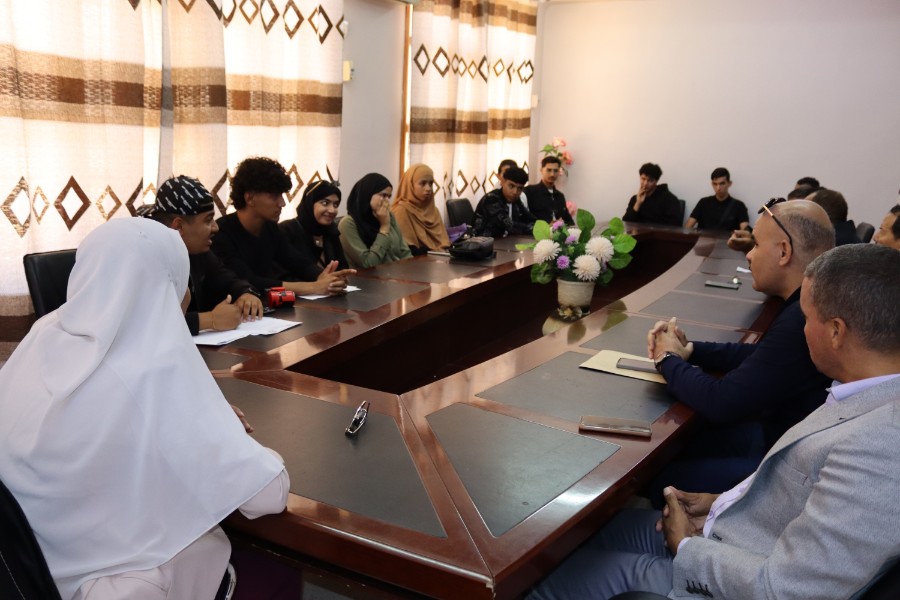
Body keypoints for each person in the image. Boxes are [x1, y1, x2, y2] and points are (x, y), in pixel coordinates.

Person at [527, 243, 900, 600]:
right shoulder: (866, 394)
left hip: (723, 581)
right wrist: (721, 503)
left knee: (540, 583)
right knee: (567, 545)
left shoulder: (879, 447)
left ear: (836, 331)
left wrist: (686, 546)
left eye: (806, 317)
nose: (800, 330)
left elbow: (788, 590)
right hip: (732, 535)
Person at [0, 218, 289, 600]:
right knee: (276, 572)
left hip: (33, 569)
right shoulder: (157, 369)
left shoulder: (42, 335)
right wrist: (217, 422)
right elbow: (268, 496)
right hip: (121, 582)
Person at [644, 199, 834, 499]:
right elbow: (761, 357)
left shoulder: (804, 317)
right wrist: (690, 350)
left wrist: (667, 358)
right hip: (777, 438)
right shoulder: (811, 301)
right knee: (684, 445)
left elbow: (721, 401)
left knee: (653, 478)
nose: (749, 254)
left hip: (779, 468)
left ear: (784, 252)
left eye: (756, 245)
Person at [212, 157, 354, 297]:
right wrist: (312, 287)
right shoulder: (221, 232)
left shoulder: (270, 228)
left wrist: (324, 277)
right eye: (275, 196)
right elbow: (247, 281)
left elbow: (296, 261)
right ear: (250, 198)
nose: (282, 203)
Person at [140, 175, 263, 335]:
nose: (216, 227)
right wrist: (209, 320)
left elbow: (227, 280)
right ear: (179, 226)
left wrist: (245, 293)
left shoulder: (198, 251)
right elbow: (147, 322)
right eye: (208, 220)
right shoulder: (146, 258)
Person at [339, 172, 412, 268]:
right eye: (383, 195)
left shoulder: (389, 216)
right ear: (367, 194)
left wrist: (410, 270)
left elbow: (405, 252)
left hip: (397, 273)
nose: (387, 201)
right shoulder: (348, 224)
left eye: (389, 197)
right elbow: (369, 264)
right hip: (368, 277)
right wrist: (384, 227)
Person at [279, 179, 350, 273]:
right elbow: (281, 272)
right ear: (310, 203)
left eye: (335, 204)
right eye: (325, 203)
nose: (332, 210)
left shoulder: (331, 231)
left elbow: (342, 266)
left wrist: (340, 276)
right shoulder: (287, 230)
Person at [391, 163, 450, 254]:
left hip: (439, 259)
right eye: (422, 183)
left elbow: (444, 243)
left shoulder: (434, 211)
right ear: (410, 185)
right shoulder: (401, 211)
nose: (428, 188)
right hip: (414, 261)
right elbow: (405, 250)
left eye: (430, 183)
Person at [473, 166, 535, 237]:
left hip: (506, 240)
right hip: (484, 241)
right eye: (511, 186)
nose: (515, 192)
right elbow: (508, 224)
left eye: (519, 188)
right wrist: (534, 228)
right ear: (502, 182)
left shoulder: (516, 200)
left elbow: (529, 218)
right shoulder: (491, 199)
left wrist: (542, 226)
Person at [685, 168, 749, 232]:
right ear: (712, 184)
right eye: (715, 184)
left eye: (722, 183)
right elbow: (687, 228)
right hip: (703, 238)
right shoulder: (703, 203)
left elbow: (745, 233)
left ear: (729, 183)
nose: (718, 188)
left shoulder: (739, 206)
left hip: (728, 239)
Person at [524, 156, 573, 225]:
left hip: (559, 231)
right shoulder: (530, 191)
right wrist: (547, 224)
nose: (552, 174)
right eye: (549, 170)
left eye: (555, 171)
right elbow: (525, 217)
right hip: (537, 231)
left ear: (559, 172)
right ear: (541, 170)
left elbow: (568, 220)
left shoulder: (560, 196)